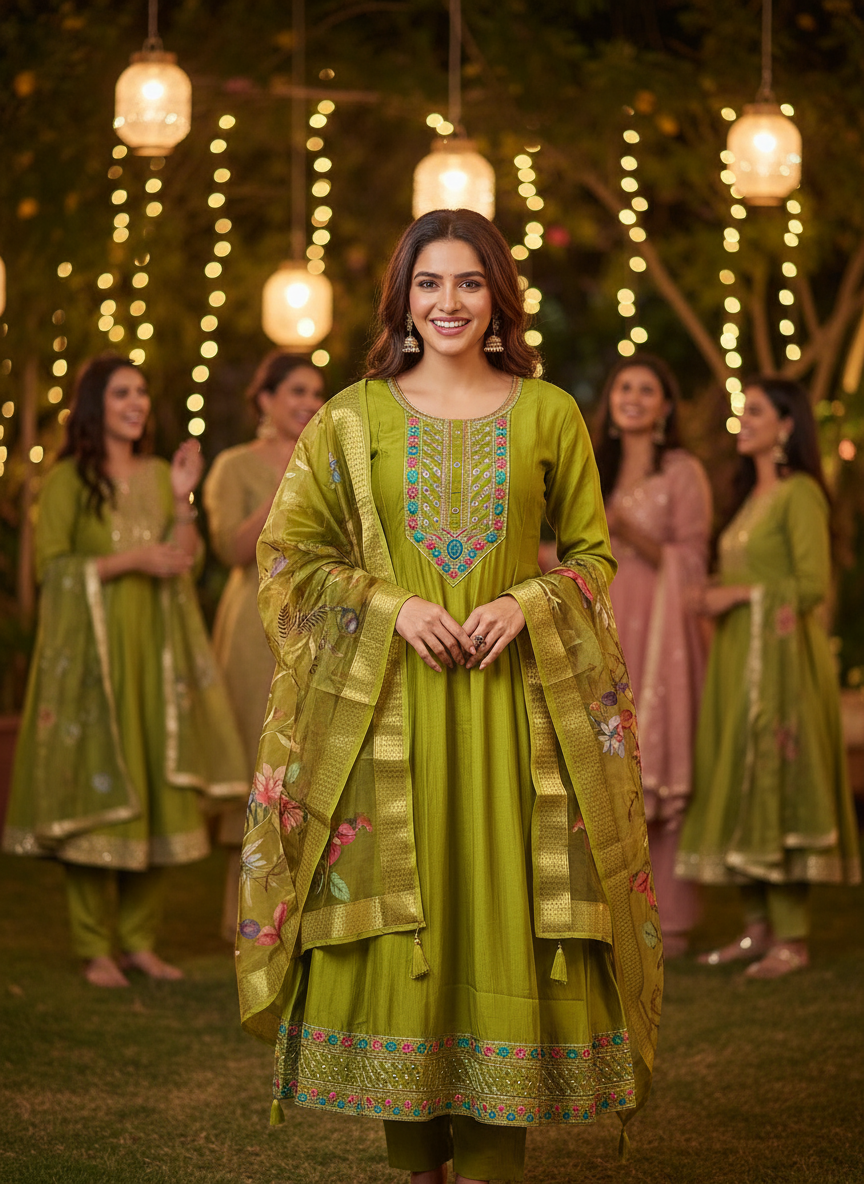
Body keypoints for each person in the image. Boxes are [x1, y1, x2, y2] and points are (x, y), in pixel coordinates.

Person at [235, 210, 663, 1184]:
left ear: (498, 296)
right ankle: (414, 1161)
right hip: (392, 719)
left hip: (514, 722)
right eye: (430, 283)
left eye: (469, 282)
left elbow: (593, 557)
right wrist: (389, 605)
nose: (449, 302)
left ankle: (489, 1162)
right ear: (404, 297)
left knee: (500, 921)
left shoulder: (549, 410)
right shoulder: (350, 415)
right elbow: (290, 555)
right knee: (403, 929)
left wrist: (528, 599)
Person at [3, 355, 247, 988]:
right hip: (93, 659)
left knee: (158, 783)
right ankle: (95, 947)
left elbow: (185, 564)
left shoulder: (163, 473)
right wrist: (127, 560)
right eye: (121, 393)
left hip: (154, 651)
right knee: (99, 789)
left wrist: (181, 499)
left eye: (141, 391)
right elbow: (51, 570)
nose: (136, 402)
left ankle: (139, 942)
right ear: (95, 406)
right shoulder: (66, 482)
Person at [677, 376, 861, 978]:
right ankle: (756, 931)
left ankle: (793, 939)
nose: (743, 420)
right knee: (736, 779)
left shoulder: (800, 494)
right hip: (738, 665)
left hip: (782, 669)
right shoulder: (749, 500)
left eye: (755, 411)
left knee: (776, 778)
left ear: (786, 426)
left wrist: (733, 596)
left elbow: (810, 585)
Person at [203, 352, 325, 940]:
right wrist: (285, 485)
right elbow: (228, 548)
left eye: (316, 393)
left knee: (310, 752)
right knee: (259, 750)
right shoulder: (233, 465)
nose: (309, 403)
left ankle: (304, 912)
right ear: (265, 399)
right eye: (297, 391)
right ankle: (241, 915)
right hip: (254, 621)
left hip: (318, 617)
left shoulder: (330, 462)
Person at [593, 354, 712, 956]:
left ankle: (673, 921)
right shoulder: (593, 468)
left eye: (647, 389)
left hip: (661, 633)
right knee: (606, 769)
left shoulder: (682, 470)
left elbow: (692, 562)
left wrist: (630, 530)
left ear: (666, 407)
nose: (633, 396)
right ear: (610, 403)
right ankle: (611, 917)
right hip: (603, 629)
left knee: (658, 771)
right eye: (624, 387)